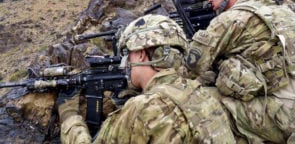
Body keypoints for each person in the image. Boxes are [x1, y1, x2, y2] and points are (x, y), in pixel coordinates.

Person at [57, 14, 235, 143]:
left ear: (141, 54)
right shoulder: (203, 94)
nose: (125, 63)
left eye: (128, 54)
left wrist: (69, 116)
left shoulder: (142, 108)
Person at [186, 0, 295, 143]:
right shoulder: (285, 11)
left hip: (289, 115)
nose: (209, 0)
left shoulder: (231, 19)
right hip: (292, 103)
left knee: (200, 102)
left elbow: (190, 68)